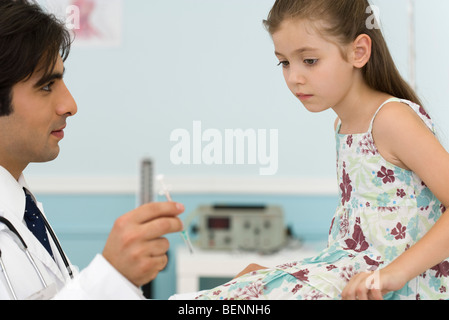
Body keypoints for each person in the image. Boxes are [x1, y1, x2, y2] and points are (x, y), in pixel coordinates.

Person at [195, 0, 449, 300]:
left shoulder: (391, 119)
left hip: (401, 287)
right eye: (284, 62)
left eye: (310, 61)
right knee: (240, 288)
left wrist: (392, 274)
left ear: (359, 52)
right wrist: (275, 278)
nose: (294, 78)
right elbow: (358, 244)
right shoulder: (342, 125)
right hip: (353, 277)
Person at [0, 0, 184, 300]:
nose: (70, 105)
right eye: (47, 86)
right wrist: (112, 274)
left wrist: (221, 299)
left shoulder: (22, 208)